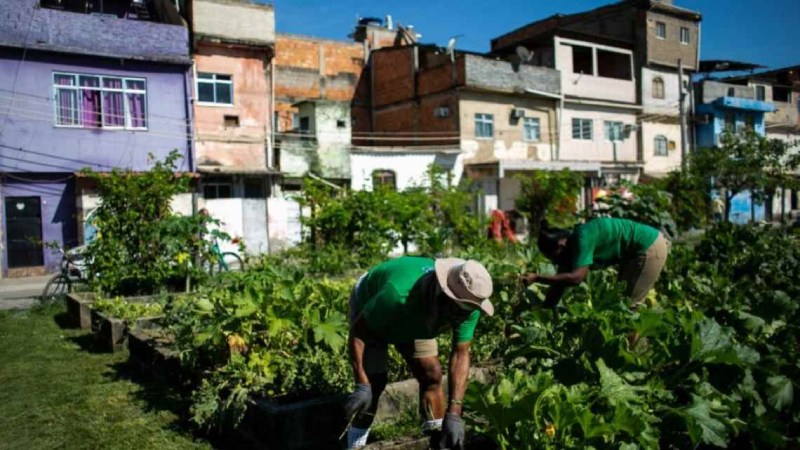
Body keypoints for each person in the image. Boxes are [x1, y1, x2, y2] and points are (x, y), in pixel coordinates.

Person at [344, 256, 494, 450]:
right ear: (444, 296)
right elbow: (359, 332)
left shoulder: (469, 305)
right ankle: (355, 445)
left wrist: (454, 413)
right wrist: (362, 384)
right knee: (374, 385)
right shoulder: (396, 294)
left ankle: (438, 441)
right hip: (376, 310)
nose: (461, 318)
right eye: (457, 311)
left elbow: (461, 354)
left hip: (419, 318)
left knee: (432, 375)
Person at [521, 217, 669, 309]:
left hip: (649, 246)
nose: (554, 262)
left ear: (561, 245)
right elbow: (558, 287)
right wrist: (542, 313)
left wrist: (537, 278)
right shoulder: (569, 251)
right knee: (619, 302)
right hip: (634, 252)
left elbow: (576, 278)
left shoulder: (582, 237)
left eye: (553, 257)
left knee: (629, 306)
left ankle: (624, 355)